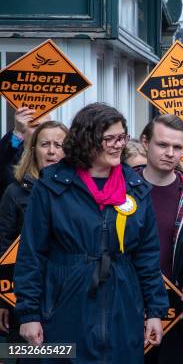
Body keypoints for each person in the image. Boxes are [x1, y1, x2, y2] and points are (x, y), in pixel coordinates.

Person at [14, 103, 168, 363]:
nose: (118, 145)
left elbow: (147, 256)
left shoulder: (136, 188)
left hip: (123, 306)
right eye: (109, 139)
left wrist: (155, 311)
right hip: (63, 308)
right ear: (87, 140)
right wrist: (28, 315)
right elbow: (32, 254)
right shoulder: (52, 185)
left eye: (122, 137)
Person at [138, 114, 183, 363]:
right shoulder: (120, 188)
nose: (170, 152)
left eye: (177, 147)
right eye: (162, 145)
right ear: (145, 143)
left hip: (173, 309)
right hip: (124, 305)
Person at [0, 120, 68, 340]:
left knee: (65, 354)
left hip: (68, 293)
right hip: (25, 296)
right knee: (27, 354)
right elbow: (3, 246)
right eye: (45, 144)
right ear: (33, 149)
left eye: (59, 145)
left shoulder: (78, 190)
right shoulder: (14, 191)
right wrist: (3, 299)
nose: (51, 151)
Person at [0, 108, 49, 197]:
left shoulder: (58, 154)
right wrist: (18, 132)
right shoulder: (11, 155)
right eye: (35, 126)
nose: (41, 131)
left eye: (46, 126)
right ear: (24, 130)